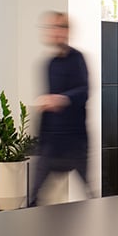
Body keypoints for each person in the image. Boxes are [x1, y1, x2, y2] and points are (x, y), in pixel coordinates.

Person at [29, 11, 92, 207]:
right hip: (51, 141)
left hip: (75, 140)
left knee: (90, 191)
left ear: (66, 31)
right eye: (50, 28)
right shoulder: (49, 64)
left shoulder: (77, 59)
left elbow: (84, 91)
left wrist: (62, 99)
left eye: (58, 27)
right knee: (33, 197)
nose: (53, 32)